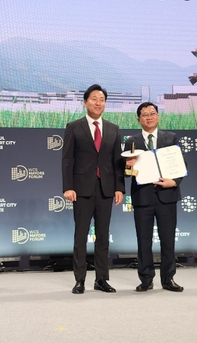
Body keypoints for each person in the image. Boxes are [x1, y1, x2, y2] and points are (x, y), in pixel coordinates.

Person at [62, 84, 124, 294]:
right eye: (94, 99)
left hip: (106, 189)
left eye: (102, 100)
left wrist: (119, 188)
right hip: (81, 189)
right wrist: (68, 187)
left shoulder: (114, 129)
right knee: (80, 236)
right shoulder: (74, 127)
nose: (98, 103)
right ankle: (80, 280)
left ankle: (102, 279)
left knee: (103, 236)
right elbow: (67, 160)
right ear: (85, 102)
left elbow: (117, 162)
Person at [123, 102, 184, 292]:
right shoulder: (131, 141)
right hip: (143, 198)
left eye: (152, 113)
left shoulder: (171, 138)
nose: (149, 117)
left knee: (168, 240)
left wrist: (173, 182)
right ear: (138, 119)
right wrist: (129, 167)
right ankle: (146, 279)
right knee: (143, 240)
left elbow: (181, 166)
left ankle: (168, 279)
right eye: (144, 115)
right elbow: (126, 174)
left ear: (158, 116)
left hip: (167, 195)